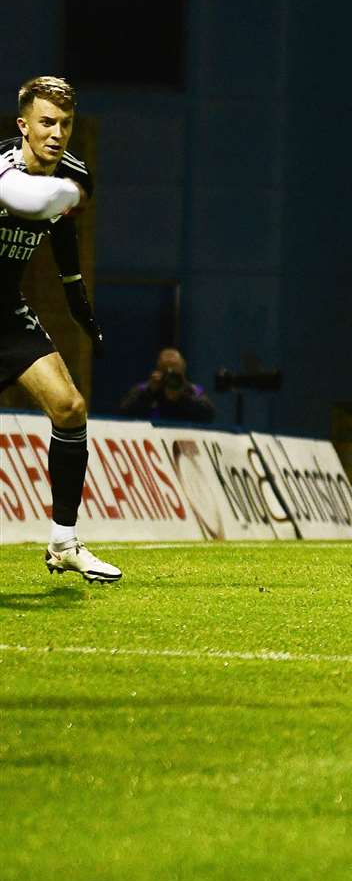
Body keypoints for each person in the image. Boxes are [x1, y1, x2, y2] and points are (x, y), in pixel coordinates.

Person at [2, 76, 118, 582]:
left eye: (66, 124)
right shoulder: (4, 172)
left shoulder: (70, 171)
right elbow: (28, 202)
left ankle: (63, 542)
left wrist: (81, 309)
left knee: (70, 408)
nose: (57, 133)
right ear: (23, 126)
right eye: (47, 122)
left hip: (5, 311)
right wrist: (64, 193)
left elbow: (63, 242)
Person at [118, 347, 217, 423]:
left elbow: (209, 415)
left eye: (175, 370)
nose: (171, 376)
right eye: (166, 369)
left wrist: (183, 397)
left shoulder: (194, 392)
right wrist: (149, 392)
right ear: (158, 371)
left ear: (183, 371)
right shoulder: (145, 389)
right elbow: (124, 413)